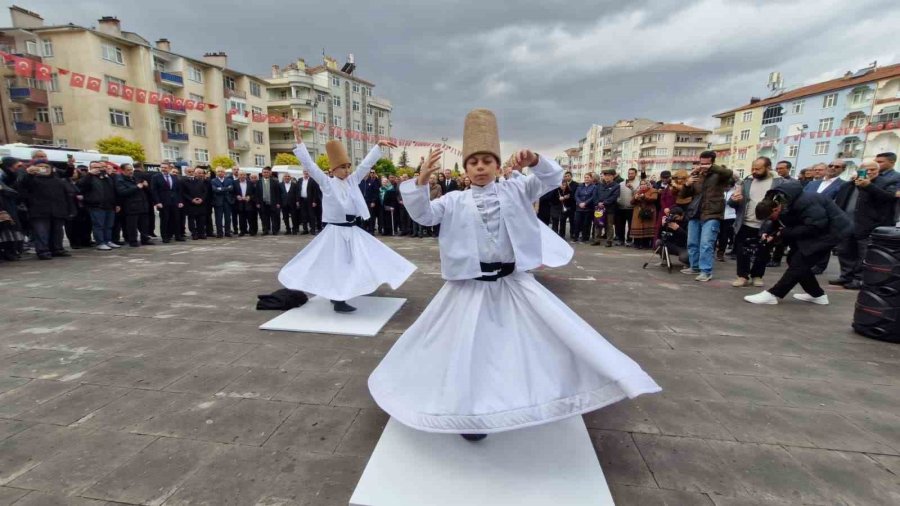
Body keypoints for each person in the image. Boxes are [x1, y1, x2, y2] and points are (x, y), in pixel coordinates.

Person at [368, 109, 660, 441]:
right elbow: (423, 215)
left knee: (526, 344)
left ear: (497, 166)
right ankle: (470, 411)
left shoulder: (516, 191)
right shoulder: (452, 200)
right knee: (468, 350)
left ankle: (534, 394)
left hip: (512, 284)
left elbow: (550, 179)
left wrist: (535, 159)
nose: (480, 167)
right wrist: (421, 181)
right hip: (469, 289)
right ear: (465, 170)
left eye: (486, 161)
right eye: (473, 162)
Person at [279, 119, 414, 313]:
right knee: (338, 265)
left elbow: (364, 167)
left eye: (348, 166)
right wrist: (299, 140)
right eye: (343, 167)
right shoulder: (326, 183)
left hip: (352, 229)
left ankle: (353, 289)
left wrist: (378, 147)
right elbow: (309, 164)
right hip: (335, 231)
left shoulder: (352, 181)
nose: (347, 170)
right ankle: (338, 299)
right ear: (333, 170)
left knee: (367, 257)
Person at [744, 181, 852, 305]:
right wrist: (769, 233)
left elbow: (815, 226)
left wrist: (783, 233)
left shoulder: (806, 202)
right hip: (818, 230)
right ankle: (817, 295)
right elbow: (779, 221)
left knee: (799, 263)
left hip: (831, 233)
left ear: (775, 209)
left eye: (769, 217)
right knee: (793, 260)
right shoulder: (781, 201)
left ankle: (774, 294)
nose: (769, 220)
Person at [831, 156, 900, 289]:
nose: (869, 172)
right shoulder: (848, 185)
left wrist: (869, 186)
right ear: (859, 170)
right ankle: (845, 276)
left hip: (869, 226)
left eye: (873, 169)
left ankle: (859, 279)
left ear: (878, 171)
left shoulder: (884, 183)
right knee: (845, 252)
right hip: (847, 224)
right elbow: (840, 204)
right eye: (865, 169)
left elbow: (888, 198)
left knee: (863, 255)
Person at [729, 157, 784, 288]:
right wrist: (734, 199)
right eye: (753, 168)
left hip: (767, 224)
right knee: (743, 251)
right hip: (746, 222)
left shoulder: (779, 183)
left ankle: (757, 276)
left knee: (763, 251)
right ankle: (742, 276)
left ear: (768, 168)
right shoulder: (746, 182)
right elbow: (731, 203)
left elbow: (785, 203)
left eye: (758, 169)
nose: (754, 171)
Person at [679, 151, 733, 282]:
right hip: (695, 213)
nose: (703, 166)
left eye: (707, 163)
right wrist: (687, 184)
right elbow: (683, 195)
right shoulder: (697, 175)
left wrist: (711, 168)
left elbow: (729, 173)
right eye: (701, 163)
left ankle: (706, 271)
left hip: (712, 213)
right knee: (692, 243)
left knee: (706, 244)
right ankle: (694, 266)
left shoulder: (719, 174)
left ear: (713, 162)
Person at [19, 162, 70, 259]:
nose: (43, 169)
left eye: (46, 167)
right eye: (40, 167)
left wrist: (68, 209)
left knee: (57, 232)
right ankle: (43, 251)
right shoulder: (32, 179)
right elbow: (22, 186)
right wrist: (29, 174)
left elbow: (66, 196)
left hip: (58, 210)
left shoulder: (58, 181)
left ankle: (57, 249)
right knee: (41, 232)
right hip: (39, 211)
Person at [79, 160, 119, 251]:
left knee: (109, 225)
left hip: (109, 205)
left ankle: (108, 240)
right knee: (99, 225)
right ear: (90, 168)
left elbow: (113, 191)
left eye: (99, 167)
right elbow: (81, 185)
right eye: (95, 167)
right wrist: (89, 174)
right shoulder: (89, 178)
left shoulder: (106, 177)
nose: (97, 169)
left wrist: (116, 204)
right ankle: (100, 242)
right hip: (96, 206)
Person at [115, 163, 152, 247]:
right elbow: (122, 192)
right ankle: (133, 241)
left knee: (144, 224)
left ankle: (145, 239)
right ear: (123, 170)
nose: (131, 171)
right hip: (131, 206)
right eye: (128, 170)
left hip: (142, 205)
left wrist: (145, 186)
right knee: (132, 225)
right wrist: (136, 187)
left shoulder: (135, 178)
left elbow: (142, 189)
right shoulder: (120, 180)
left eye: (131, 169)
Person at [151, 161, 185, 243]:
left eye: (165, 168)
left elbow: (178, 190)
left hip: (175, 202)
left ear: (169, 168)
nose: (163, 169)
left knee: (176, 219)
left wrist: (180, 201)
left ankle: (178, 236)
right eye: (162, 167)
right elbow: (154, 191)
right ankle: (165, 237)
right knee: (165, 220)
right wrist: (157, 202)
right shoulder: (156, 177)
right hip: (163, 202)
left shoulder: (174, 177)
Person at [181, 167, 210, 240]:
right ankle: (194, 234)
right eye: (189, 171)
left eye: (192, 171)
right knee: (191, 220)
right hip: (190, 204)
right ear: (186, 172)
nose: (191, 173)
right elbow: (183, 193)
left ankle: (201, 233)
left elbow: (205, 191)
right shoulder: (183, 181)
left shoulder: (200, 180)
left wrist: (202, 199)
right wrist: (192, 200)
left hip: (201, 203)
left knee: (201, 219)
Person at [630, 179, 658, 249]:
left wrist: (644, 196)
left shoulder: (653, 190)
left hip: (648, 211)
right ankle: (637, 244)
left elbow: (654, 198)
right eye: (641, 184)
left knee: (647, 227)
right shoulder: (638, 191)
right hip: (638, 211)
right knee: (637, 226)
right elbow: (631, 202)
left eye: (644, 184)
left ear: (648, 184)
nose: (643, 186)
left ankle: (646, 244)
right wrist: (635, 198)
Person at [255, 166, 282, 235]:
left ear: (270, 173)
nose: (266, 173)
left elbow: (278, 193)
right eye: (264, 172)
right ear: (262, 173)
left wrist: (278, 203)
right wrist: (257, 202)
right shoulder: (258, 182)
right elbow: (257, 193)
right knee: (264, 218)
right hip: (262, 203)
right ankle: (265, 230)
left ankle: (274, 230)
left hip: (273, 202)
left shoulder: (275, 181)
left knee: (274, 217)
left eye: (267, 172)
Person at [210, 167, 235, 238]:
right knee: (218, 218)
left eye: (222, 171)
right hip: (218, 202)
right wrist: (226, 188)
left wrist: (220, 189)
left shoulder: (229, 180)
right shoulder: (213, 181)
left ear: (224, 173)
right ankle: (219, 233)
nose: (220, 173)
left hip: (227, 202)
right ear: (216, 173)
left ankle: (227, 232)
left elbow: (231, 189)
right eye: (218, 171)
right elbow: (215, 190)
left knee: (228, 218)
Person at [572, 173, 596, 243]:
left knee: (586, 224)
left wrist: (585, 203)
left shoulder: (594, 187)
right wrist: (580, 203)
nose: (586, 179)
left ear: (591, 179)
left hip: (588, 208)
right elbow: (576, 195)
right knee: (577, 222)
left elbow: (593, 197)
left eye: (588, 177)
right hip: (579, 208)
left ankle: (584, 238)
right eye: (585, 177)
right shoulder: (580, 186)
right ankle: (575, 237)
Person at [615, 168, 637, 245]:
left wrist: (632, 188)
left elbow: (638, 194)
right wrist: (618, 200)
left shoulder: (638, 183)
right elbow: (617, 193)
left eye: (632, 173)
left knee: (631, 226)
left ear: (635, 174)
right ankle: (621, 240)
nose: (630, 175)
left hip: (631, 208)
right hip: (621, 207)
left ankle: (629, 240)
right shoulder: (621, 183)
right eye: (629, 173)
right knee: (620, 225)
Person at [717, 179, 736, 262]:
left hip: (730, 216)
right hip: (718, 215)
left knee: (724, 236)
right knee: (715, 234)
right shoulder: (719, 192)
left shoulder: (735, 192)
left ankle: (721, 253)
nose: (726, 187)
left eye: (728, 186)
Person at [297, 169, 321, 235]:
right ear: (303, 173)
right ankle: (305, 230)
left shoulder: (313, 180)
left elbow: (315, 192)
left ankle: (312, 229)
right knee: (303, 216)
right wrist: (297, 200)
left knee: (312, 216)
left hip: (310, 201)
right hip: (302, 200)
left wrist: (314, 201)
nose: (306, 173)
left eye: (307, 172)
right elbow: (298, 191)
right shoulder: (300, 180)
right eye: (305, 172)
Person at [360, 169, 382, 234]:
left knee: (371, 216)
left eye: (372, 172)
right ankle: (364, 229)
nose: (371, 174)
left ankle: (371, 230)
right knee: (364, 216)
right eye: (370, 172)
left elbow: (376, 192)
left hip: (370, 202)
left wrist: (373, 201)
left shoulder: (372, 181)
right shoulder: (361, 182)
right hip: (363, 201)